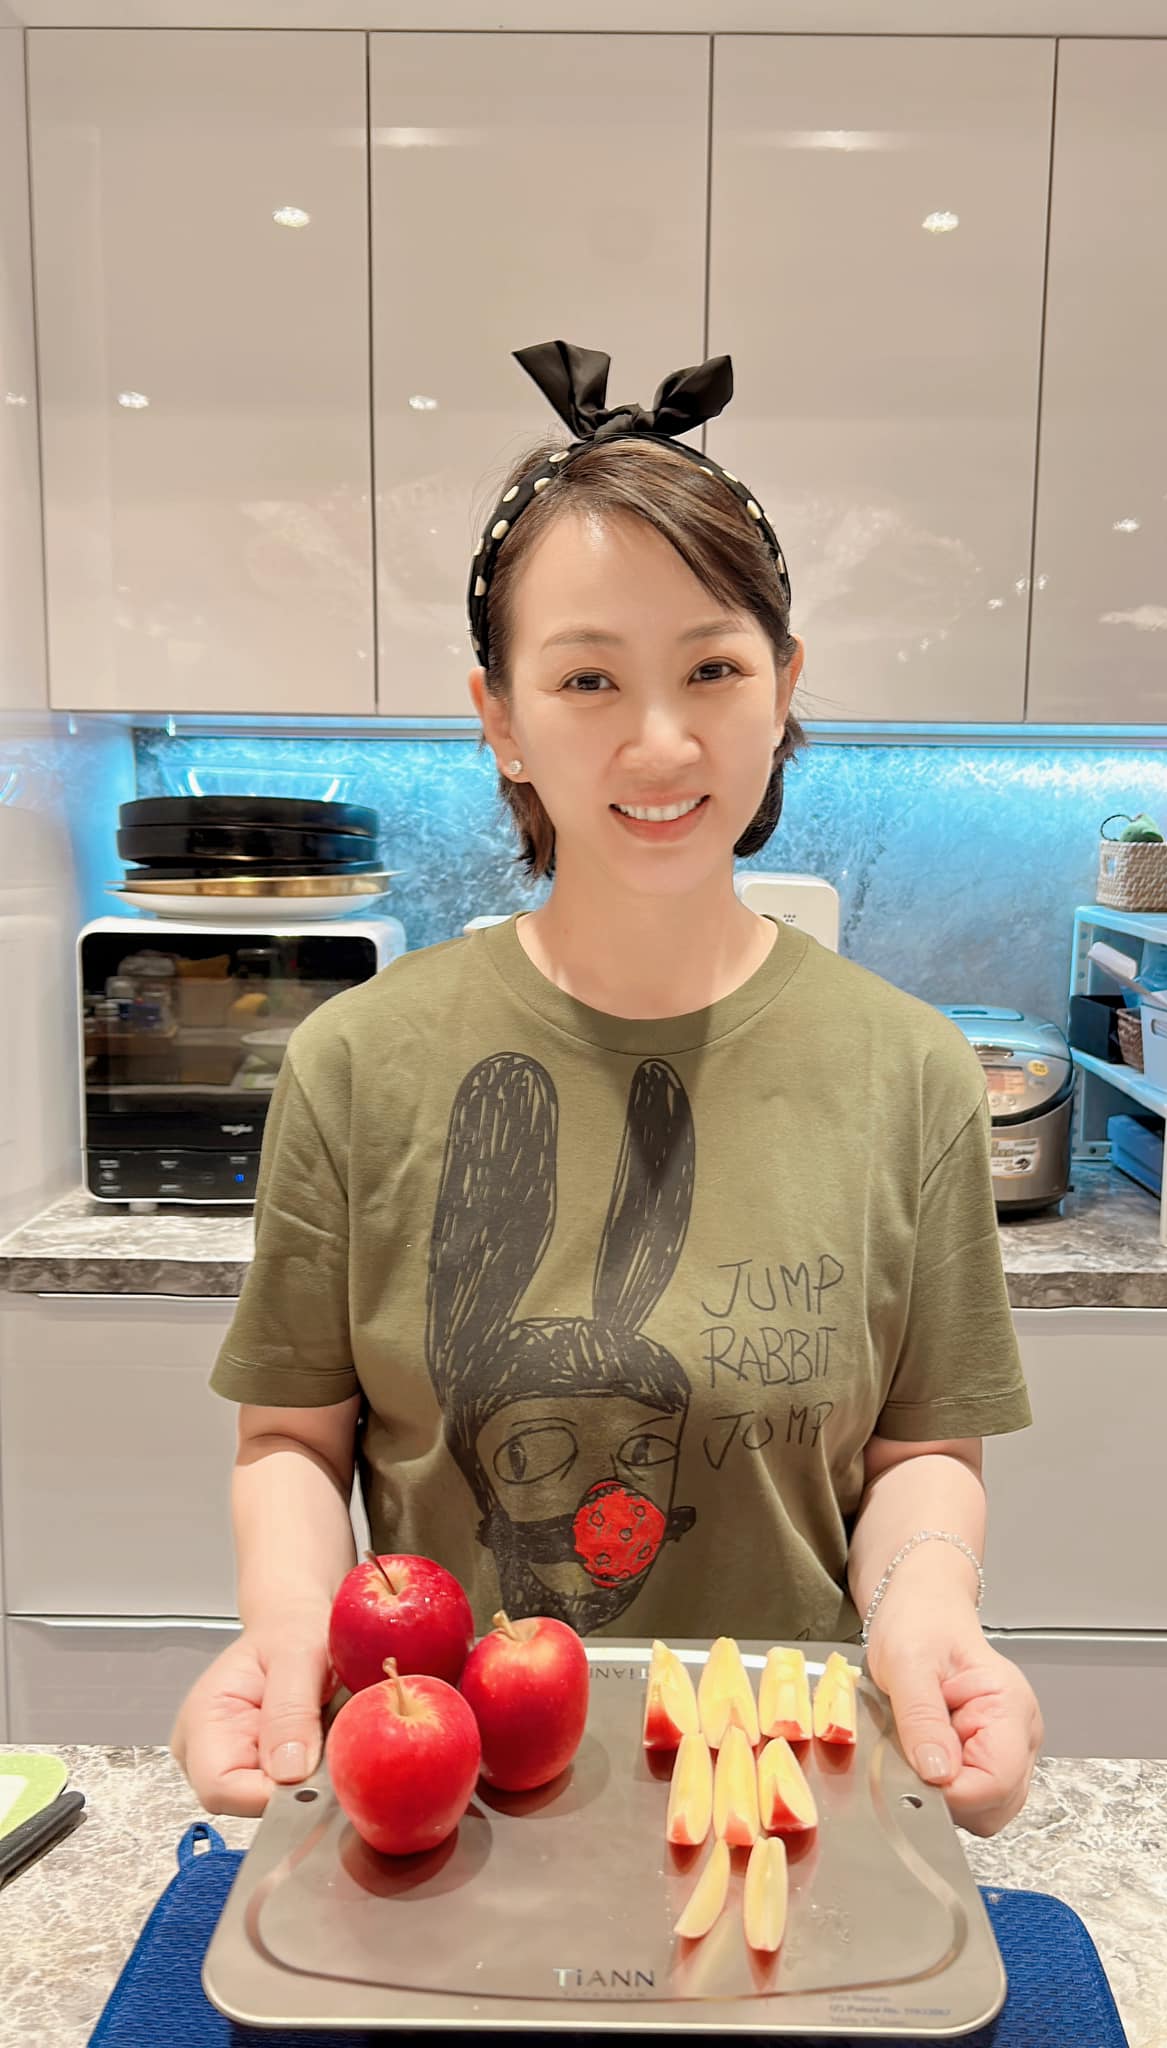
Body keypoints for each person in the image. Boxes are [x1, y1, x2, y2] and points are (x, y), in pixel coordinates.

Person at [171, 340, 1042, 1839]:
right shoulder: (358, 1063)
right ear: (500, 716)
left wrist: (930, 1613)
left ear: (784, 689)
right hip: (451, 1819)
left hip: (788, 1800)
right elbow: (295, 1441)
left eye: (714, 667)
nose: (661, 741)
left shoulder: (908, 1072)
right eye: (586, 678)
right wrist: (286, 1629)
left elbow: (918, 1457)